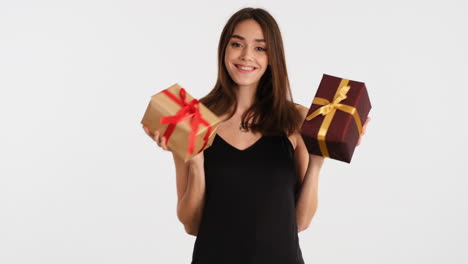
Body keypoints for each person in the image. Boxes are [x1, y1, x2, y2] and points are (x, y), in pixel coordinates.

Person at [143, 7, 369, 264]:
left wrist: (318, 161)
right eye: (237, 44)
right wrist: (195, 163)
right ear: (224, 50)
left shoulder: (297, 120)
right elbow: (192, 225)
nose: (246, 56)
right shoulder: (193, 119)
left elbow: (301, 222)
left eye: (260, 48)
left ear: (273, 56)